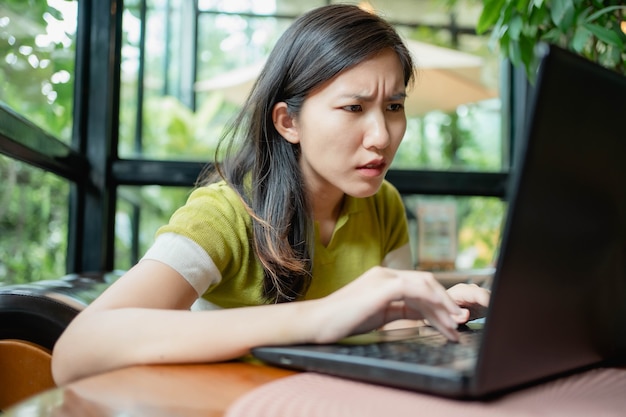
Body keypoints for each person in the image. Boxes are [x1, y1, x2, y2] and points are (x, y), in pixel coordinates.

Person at [52, 4, 490, 385]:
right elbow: (78, 351)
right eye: (354, 108)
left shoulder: (383, 203)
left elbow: (390, 338)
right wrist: (319, 317)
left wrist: (429, 313)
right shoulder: (224, 213)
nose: (381, 136)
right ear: (288, 122)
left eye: (394, 106)